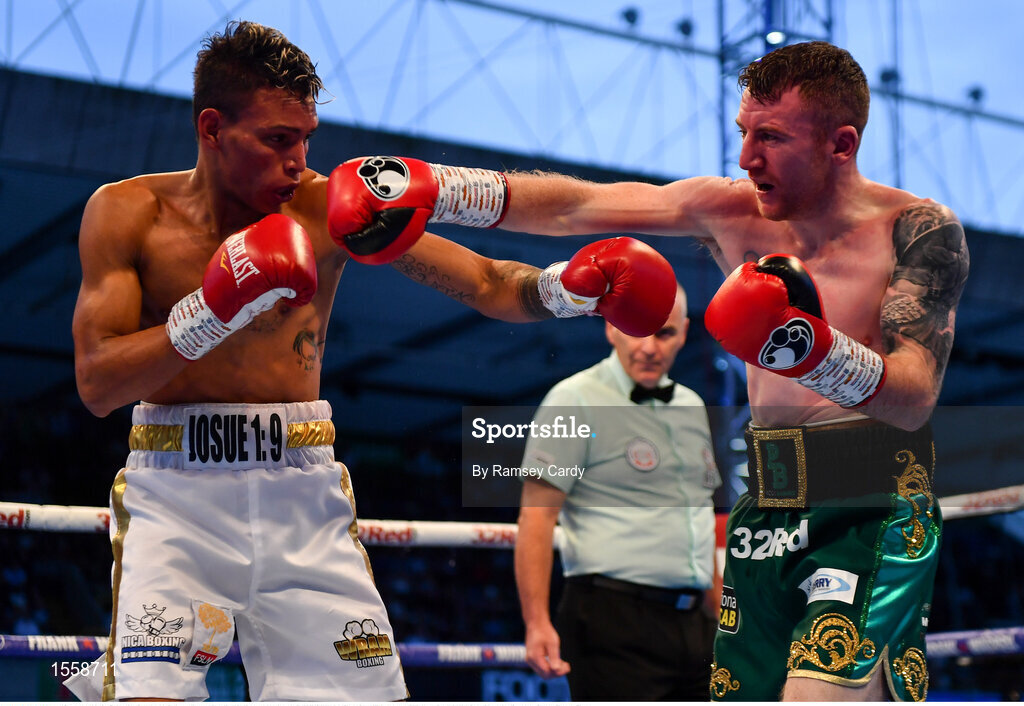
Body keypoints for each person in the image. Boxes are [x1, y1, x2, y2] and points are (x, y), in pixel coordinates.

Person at [331, 41, 970, 702]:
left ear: (841, 144)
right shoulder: (734, 210)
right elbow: (575, 206)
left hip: (870, 493)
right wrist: (432, 187)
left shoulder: (916, 231)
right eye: (743, 133)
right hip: (768, 498)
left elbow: (913, 398)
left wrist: (809, 348)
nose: (748, 158)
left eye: (772, 138)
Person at [65, 20, 678, 702]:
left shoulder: (329, 207)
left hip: (301, 489)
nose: (297, 161)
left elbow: (485, 282)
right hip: (176, 497)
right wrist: (214, 307)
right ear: (212, 128)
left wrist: (568, 291)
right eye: (276, 140)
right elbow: (96, 383)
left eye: (305, 138)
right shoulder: (128, 213)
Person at [514, 285, 720, 701]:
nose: (649, 347)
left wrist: (722, 614)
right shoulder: (573, 399)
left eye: (664, 333)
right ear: (610, 328)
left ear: (684, 332)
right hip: (610, 616)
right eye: (636, 331)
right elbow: (536, 516)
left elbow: (698, 518)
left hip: (694, 621)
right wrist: (536, 622)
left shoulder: (692, 405)